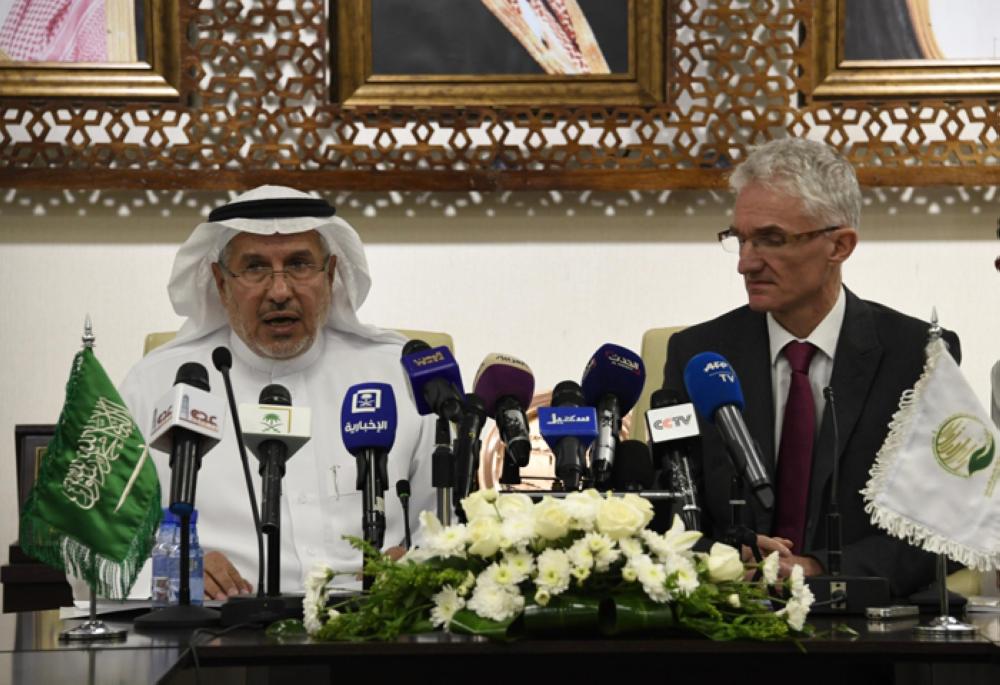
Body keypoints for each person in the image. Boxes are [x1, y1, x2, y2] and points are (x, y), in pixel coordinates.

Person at [662, 138, 960, 598]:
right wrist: (720, 556)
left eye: (771, 239)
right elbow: (667, 506)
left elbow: (947, 523)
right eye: (739, 238)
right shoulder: (698, 357)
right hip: (726, 624)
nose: (746, 263)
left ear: (839, 245)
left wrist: (818, 569)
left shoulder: (917, 357)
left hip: (863, 635)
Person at [118, 185, 437, 598]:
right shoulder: (153, 385)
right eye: (254, 268)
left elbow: (451, 524)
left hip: (376, 632)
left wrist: (416, 564)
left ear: (331, 273)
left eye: (300, 264)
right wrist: (173, 570)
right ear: (220, 281)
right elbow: (95, 544)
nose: (280, 291)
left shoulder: (398, 374)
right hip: (215, 639)